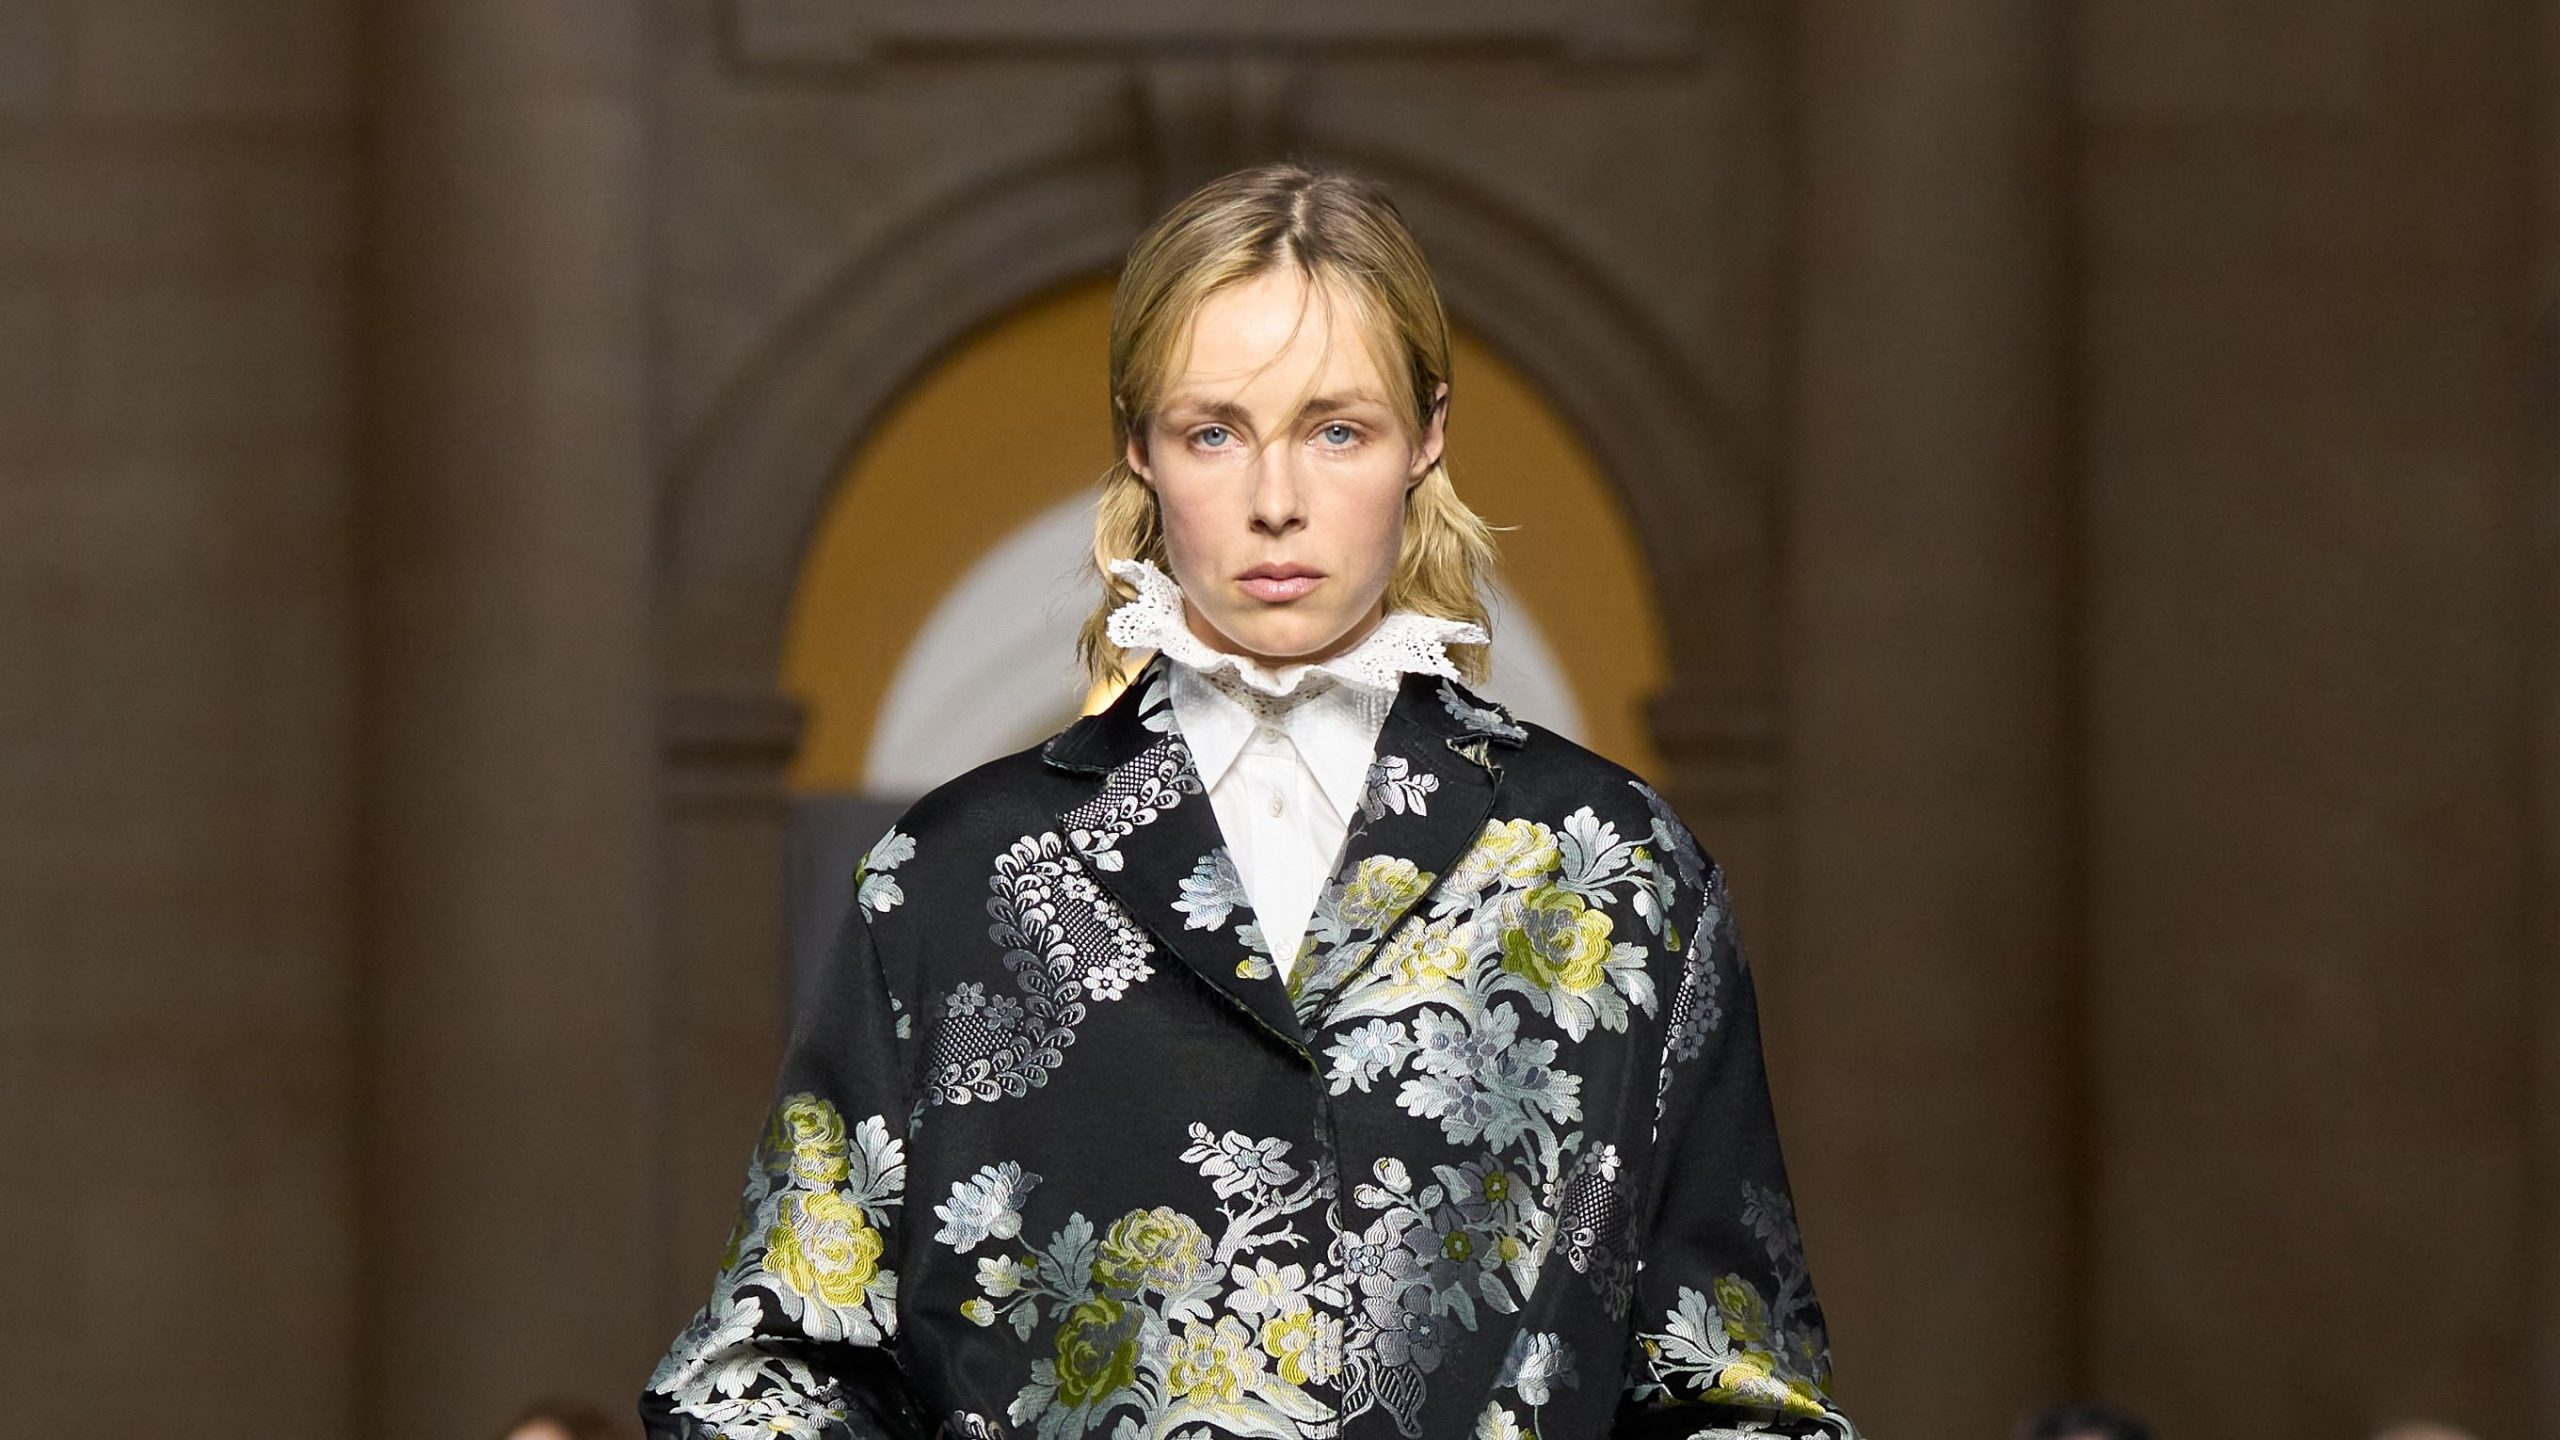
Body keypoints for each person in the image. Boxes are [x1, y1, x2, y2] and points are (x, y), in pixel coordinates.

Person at [639, 160, 1860, 1440]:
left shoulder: (1610, 868)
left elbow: (1743, 1390)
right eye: (1213, 432)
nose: (1276, 502)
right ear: (1139, 445)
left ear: (1427, 434)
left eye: (1338, 430)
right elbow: (764, 1375)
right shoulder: (954, 876)